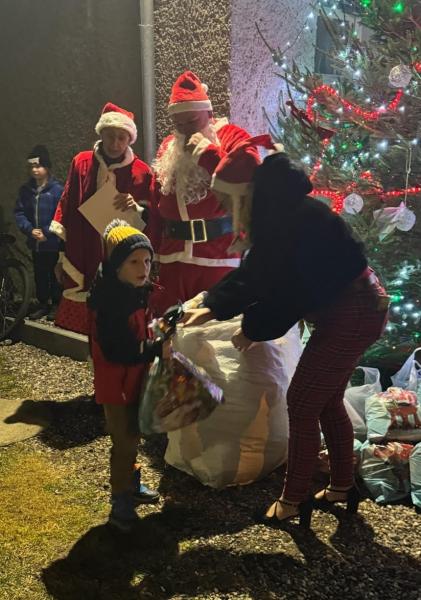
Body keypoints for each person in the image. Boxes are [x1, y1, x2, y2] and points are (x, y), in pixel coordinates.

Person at [182, 151, 389, 528]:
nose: (226, 207)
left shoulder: (291, 220)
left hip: (352, 312)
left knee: (303, 402)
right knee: (325, 402)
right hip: (358, 307)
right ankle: (342, 487)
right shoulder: (291, 213)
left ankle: (293, 501)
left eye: (230, 199)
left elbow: (284, 289)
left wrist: (250, 326)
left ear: (249, 194)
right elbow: (261, 274)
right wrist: (213, 305)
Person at [87, 219, 171, 532]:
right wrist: (156, 348)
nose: (144, 268)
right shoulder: (110, 303)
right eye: (134, 261)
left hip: (133, 378)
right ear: (115, 265)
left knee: (134, 433)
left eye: (147, 260)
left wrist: (159, 330)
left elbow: (143, 327)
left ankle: (131, 485)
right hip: (117, 384)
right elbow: (118, 350)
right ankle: (119, 503)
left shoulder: (134, 289)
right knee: (123, 440)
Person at [147, 70, 253, 314]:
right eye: (179, 124)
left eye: (192, 122)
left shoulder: (232, 137)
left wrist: (207, 153)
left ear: (209, 113)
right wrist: (150, 251)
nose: (185, 130)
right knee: (169, 331)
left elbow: (248, 177)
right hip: (172, 259)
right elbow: (157, 204)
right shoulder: (168, 146)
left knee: (214, 337)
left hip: (219, 259)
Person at [50, 102, 151, 334]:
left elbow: (150, 215)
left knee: (117, 324)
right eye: (110, 136)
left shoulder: (141, 172)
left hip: (120, 251)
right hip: (84, 246)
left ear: (130, 139)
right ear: (101, 134)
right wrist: (62, 253)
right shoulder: (82, 163)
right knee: (86, 307)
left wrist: (137, 207)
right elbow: (68, 204)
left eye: (121, 138)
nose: (115, 144)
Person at [14, 145, 63, 321]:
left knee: (55, 274)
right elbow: (19, 213)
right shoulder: (26, 191)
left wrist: (47, 233)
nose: (35, 170)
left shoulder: (57, 190)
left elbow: (61, 215)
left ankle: (57, 304)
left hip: (52, 244)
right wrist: (29, 230)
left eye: (39, 166)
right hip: (35, 244)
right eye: (31, 166)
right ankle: (44, 303)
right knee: (40, 274)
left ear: (47, 167)